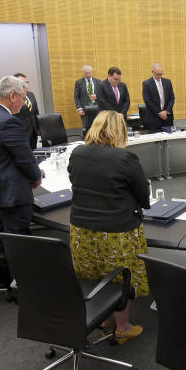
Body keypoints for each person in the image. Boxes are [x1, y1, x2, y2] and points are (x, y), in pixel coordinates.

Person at [67, 111, 150, 344]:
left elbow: (75, 181)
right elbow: (143, 195)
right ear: (119, 130)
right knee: (122, 280)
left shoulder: (77, 153)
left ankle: (104, 320)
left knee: (94, 276)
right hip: (117, 233)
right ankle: (122, 327)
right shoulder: (125, 158)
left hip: (81, 231)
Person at [0, 75, 43, 286]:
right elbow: (24, 158)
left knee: (3, 235)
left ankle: (5, 281)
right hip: (11, 193)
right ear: (13, 96)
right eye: (22, 98)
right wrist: (35, 176)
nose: (24, 104)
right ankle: (23, 288)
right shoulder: (8, 121)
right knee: (19, 241)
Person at [141, 63, 175, 132]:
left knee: (169, 140)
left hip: (167, 117)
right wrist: (160, 113)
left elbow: (172, 98)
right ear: (152, 72)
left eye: (161, 74)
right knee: (156, 140)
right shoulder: (146, 84)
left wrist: (166, 111)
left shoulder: (167, 82)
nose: (159, 76)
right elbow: (147, 100)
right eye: (157, 74)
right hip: (154, 118)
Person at [13, 72, 40, 149]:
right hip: (21, 132)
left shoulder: (30, 94)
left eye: (26, 82)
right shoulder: (14, 97)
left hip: (33, 131)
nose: (26, 85)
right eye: (23, 83)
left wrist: (38, 128)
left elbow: (36, 112)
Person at [73, 65, 98, 133]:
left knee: (97, 127)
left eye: (90, 72)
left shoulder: (98, 81)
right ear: (83, 73)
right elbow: (76, 97)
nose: (88, 74)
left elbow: (102, 95)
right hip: (84, 109)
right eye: (86, 73)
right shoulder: (78, 82)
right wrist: (79, 108)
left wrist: (97, 96)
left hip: (96, 108)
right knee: (87, 128)